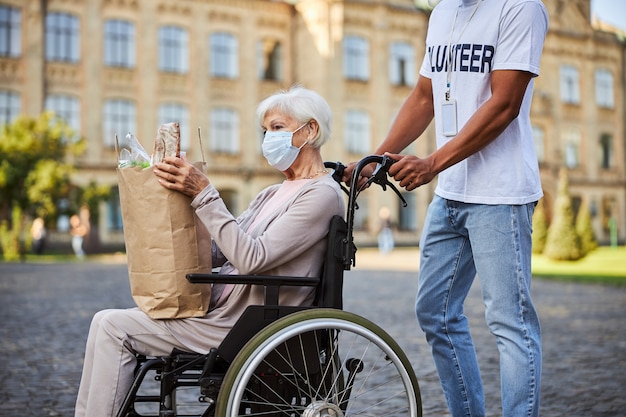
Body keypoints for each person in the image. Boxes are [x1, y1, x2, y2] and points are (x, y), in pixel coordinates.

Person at [74, 86, 345, 417]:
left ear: (311, 130)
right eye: (265, 131)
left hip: (247, 324)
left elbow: (251, 257)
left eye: (277, 127)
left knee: (111, 327)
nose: (267, 139)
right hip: (222, 311)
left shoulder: (321, 194)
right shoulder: (273, 192)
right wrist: (179, 208)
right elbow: (221, 252)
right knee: (107, 322)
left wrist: (205, 193)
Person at [345, 1, 548, 416]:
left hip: (501, 195)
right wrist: (376, 159)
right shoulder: (441, 14)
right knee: (434, 312)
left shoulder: (520, 8)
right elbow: (424, 96)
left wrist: (433, 162)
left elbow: (505, 103)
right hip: (453, 194)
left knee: (510, 323)